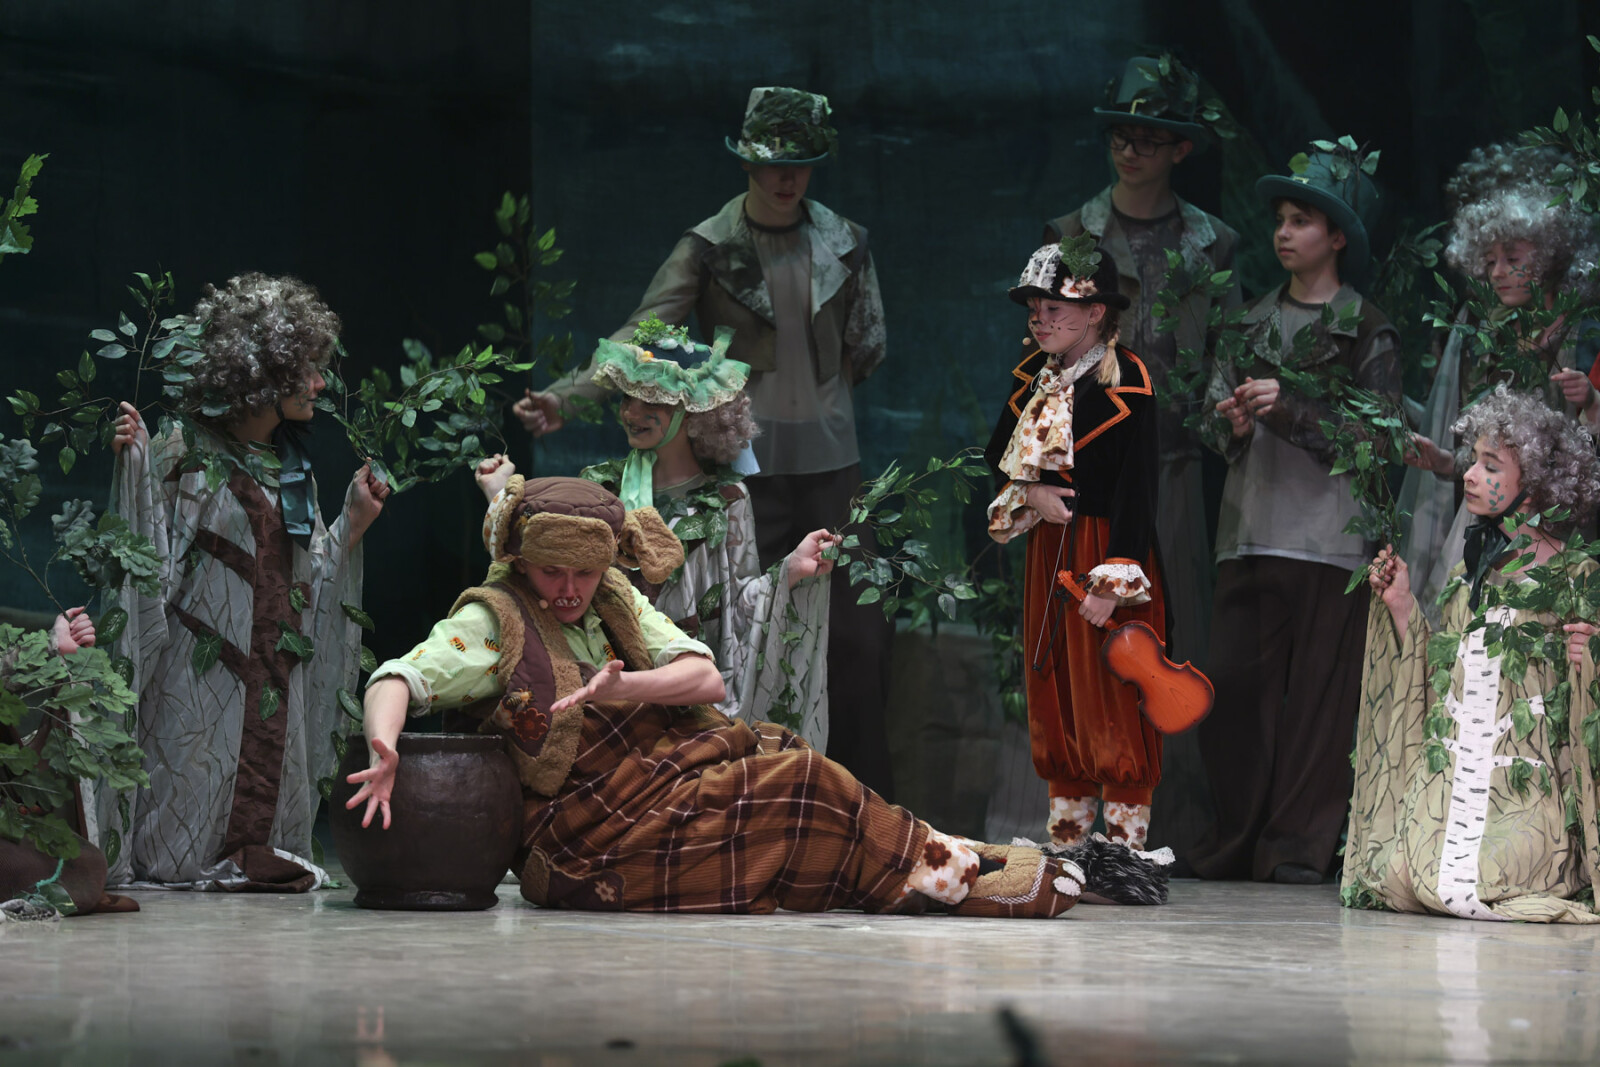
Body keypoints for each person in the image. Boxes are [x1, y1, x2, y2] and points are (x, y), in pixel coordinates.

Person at [346, 475, 1087, 918]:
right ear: (522, 561)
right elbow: (398, 677)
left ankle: (939, 859)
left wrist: (624, 687)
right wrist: (385, 748)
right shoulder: (495, 619)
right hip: (587, 835)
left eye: (583, 573)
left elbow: (705, 678)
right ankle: (951, 877)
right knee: (797, 784)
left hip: (659, 778)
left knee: (780, 752)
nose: (568, 589)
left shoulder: (613, 599)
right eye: (551, 573)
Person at [512, 87, 896, 798]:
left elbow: (867, 344)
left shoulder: (846, 239)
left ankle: (858, 800)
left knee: (854, 638)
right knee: (735, 631)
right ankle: (748, 791)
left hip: (832, 467)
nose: (787, 177)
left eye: (802, 163)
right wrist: (567, 395)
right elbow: (645, 328)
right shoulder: (711, 245)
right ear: (746, 162)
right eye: (772, 163)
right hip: (747, 476)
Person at [103, 272, 389, 888]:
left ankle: (250, 853)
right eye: (306, 368)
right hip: (198, 678)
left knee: (259, 828)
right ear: (263, 369)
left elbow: (303, 588)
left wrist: (351, 523)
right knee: (181, 839)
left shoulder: (292, 472)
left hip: (272, 679)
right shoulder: (184, 451)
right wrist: (135, 467)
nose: (319, 384)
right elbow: (148, 566)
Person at [1189, 148, 1402, 883]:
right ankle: (1233, 838)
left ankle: (1295, 850)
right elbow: (1210, 423)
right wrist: (1231, 425)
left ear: (1337, 236)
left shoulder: (1365, 328)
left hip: (1330, 544)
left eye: (1301, 220)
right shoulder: (1248, 322)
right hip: (1251, 533)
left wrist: (1294, 409)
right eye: (1280, 219)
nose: (1284, 232)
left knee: (1319, 707)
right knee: (1232, 694)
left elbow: (1381, 440)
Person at [476, 322, 836, 746]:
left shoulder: (728, 498)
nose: (632, 412)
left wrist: (790, 571)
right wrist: (500, 494)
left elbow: (735, 607)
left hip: (687, 689)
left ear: (693, 410)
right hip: (603, 681)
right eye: (628, 397)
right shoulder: (601, 488)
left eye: (652, 401)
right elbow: (538, 556)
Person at [1346, 386, 1600, 922]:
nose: (1469, 475)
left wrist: (1590, 656)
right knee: (1402, 871)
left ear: (1534, 484)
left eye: (1490, 466)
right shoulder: (1469, 574)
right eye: (1473, 461)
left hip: (1527, 795)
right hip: (1455, 786)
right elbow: (1443, 681)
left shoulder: (1575, 575)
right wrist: (1402, 606)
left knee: (1501, 869)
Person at [1044, 53, 1241, 668]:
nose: (1129, 151)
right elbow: (1043, 360)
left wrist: (1227, 421)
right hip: (1090, 470)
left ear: (1180, 148)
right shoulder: (1072, 235)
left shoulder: (1212, 243)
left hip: (1175, 465)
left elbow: (1227, 353)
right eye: (1120, 136)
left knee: (1173, 637)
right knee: (1087, 643)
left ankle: (1177, 739)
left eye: (1147, 140)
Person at [984, 237, 1164, 851]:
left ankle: (1124, 853)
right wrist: (1030, 492)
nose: (1040, 319)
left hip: (1106, 549)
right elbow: (998, 455)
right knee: (1055, 685)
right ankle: (1067, 846)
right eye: (1034, 308)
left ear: (1095, 312)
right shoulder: (1035, 379)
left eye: (1054, 307)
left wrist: (1114, 581)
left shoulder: (1129, 380)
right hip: (1049, 554)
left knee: (1112, 691)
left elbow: (1139, 490)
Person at [1399, 141, 1600, 617]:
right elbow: (1494, 452)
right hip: (1496, 520)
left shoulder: (1584, 333)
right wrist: (1448, 462)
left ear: (1549, 252)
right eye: (1489, 261)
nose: (1498, 273)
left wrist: (1592, 402)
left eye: (1511, 258)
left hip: (1561, 527)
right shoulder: (1490, 338)